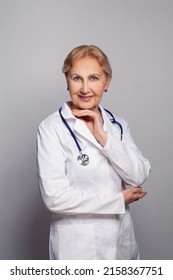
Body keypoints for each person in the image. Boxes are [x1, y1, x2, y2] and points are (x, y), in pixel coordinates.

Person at [37, 45, 151, 260]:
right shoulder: (51, 128)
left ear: (107, 82)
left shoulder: (117, 125)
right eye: (77, 78)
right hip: (78, 250)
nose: (85, 88)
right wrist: (117, 200)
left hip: (122, 244)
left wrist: (104, 137)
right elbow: (55, 197)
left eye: (94, 78)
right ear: (67, 82)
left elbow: (138, 176)